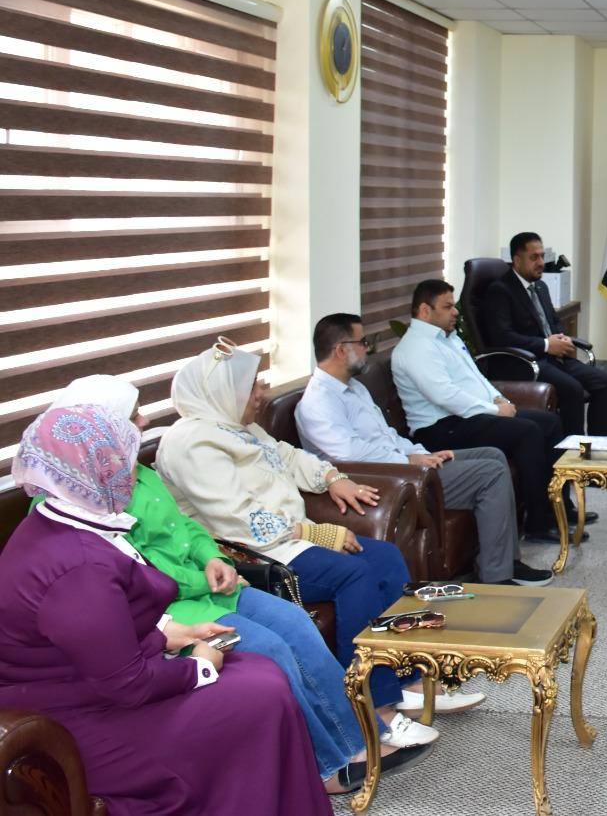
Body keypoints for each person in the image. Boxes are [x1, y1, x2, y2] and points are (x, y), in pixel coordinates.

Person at [50, 375, 429, 794]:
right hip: (171, 608)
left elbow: (186, 527)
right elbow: (135, 573)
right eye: (133, 415)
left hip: (210, 582)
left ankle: (360, 738)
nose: (144, 421)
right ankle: (326, 766)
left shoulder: (136, 472)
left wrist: (211, 556)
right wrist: (201, 577)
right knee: (270, 648)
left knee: (295, 623)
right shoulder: (76, 500)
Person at [0, 404, 333, 815]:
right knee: (259, 694)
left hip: (87, 685)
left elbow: (94, 636)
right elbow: (128, 684)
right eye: (118, 461)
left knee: (261, 675)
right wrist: (200, 667)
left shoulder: (56, 520)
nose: (128, 471)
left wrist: (169, 634)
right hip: (75, 716)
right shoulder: (78, 565)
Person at [156, 338, 465, 733]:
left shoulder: (238, 427)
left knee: (386, 557)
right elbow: (238, 519)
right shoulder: (191, 444)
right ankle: (373, 702)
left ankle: (406, 678)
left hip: (289, 541)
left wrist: (332, 477)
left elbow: (288, 456)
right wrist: (315, 532)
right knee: (354, 575)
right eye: (252, 386)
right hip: (250, 553)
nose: (261, 393)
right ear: (222, 392)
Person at [296, 312, 552, 587]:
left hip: (404, 465)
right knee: (490, 473)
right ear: (340, 350)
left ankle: (507, 561)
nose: (367, 349)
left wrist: (422, 452)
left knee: (492, 454)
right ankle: (496, 576)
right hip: (387, 482)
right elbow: (350, 455)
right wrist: (409, 460)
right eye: (362, 342)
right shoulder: (318, 402)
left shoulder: (355, 388)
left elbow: (388, 436)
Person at [393, 279, 585, 544]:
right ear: (425, 311)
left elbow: (476, 377)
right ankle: (538, 524)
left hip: (469, 416)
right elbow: (444, 395)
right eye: (447, 307)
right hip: (441, 428)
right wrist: (495, 411)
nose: (455, 312)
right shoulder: (416, 347)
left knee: (551, 422)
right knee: (527, 432)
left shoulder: (447, 337)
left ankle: (558, 508)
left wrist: (498, 398)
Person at [479, 231, 607, 437]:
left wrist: (562, 337)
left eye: (542, 256)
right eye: (534, 257)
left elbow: (553, 322)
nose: (541, 263)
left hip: (553, 358)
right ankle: (573, 449)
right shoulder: (500, 290)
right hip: (524, 363)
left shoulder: (541, 286)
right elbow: (503, 337)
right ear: (517, 260)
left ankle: (599, 444)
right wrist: (545, 344)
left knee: (604, 382)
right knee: (572, 389)